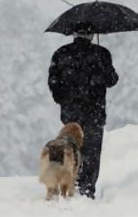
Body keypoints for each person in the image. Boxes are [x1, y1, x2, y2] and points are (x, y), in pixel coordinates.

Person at [48, 22, 119, 199]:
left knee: (66, 146)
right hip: (94, 111)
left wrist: (62, 100)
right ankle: (86, 188)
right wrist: (101, 67)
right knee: (92, 150)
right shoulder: (101, 54)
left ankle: (61, 183)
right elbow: (112, 80)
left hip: (70, 112)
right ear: (92, 35)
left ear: (73, 33)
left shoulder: (60, 53)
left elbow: (53, 82)